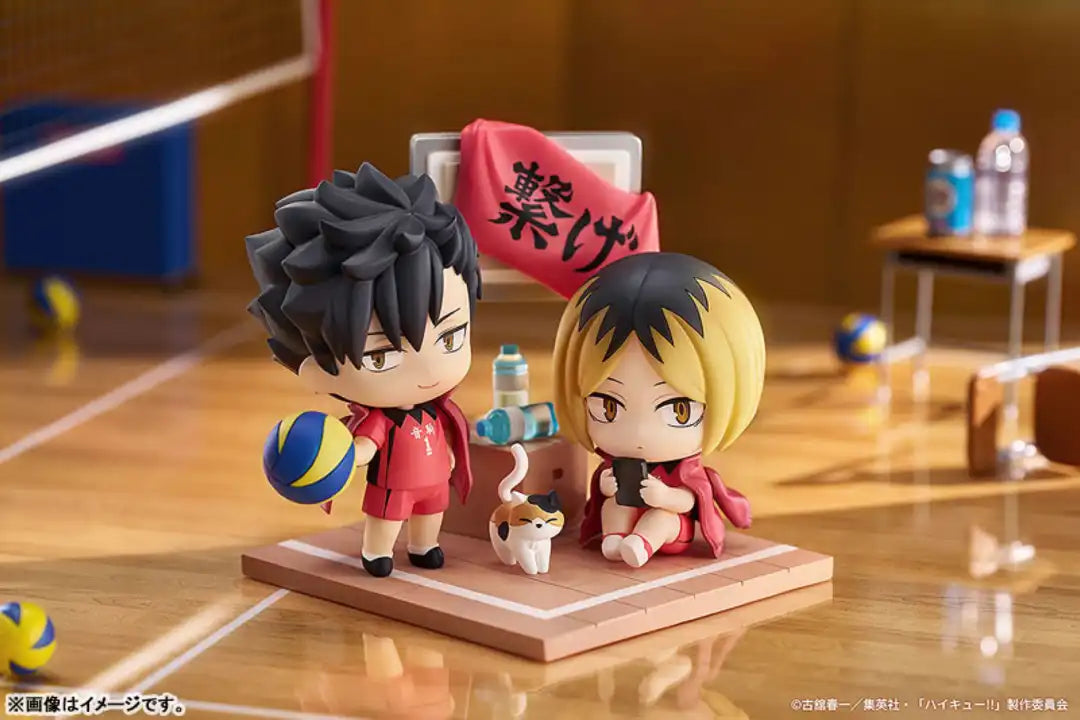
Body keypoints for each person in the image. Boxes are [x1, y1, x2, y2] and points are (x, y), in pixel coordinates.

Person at [246, 162, 481, 577]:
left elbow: (446, 437)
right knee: (388, 516)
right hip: (393, 485)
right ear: (315, 368)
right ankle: (378, 552)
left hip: (432, 482)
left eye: (450, 338)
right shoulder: (379, 421)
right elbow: (365, 448)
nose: (429, 369)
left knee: (431, 513)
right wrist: (340, 455)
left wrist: (448, 455)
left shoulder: (437, 411)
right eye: (380, 357)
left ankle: (424, 545)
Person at [552, 252, 764, 567]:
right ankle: (614, 539)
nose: (639, 433)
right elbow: (602, 493)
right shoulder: (615, 463)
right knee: (613, 506)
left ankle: (641, 544)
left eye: (679, 410)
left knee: (661, 519)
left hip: (672, 527)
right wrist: (607, 486)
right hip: (627, 512)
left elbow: (690, 499)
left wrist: (663, 497)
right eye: (608, 407)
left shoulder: (686, 472)